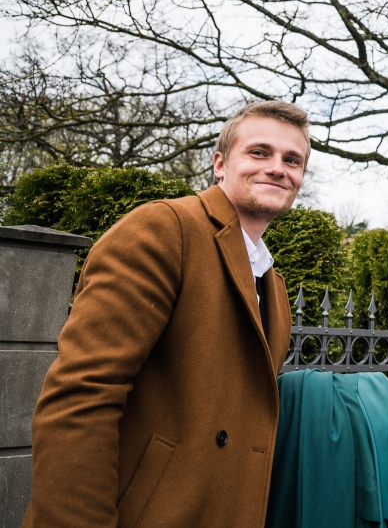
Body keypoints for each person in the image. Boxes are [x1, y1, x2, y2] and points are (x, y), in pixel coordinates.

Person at [22, 100, 310, 528]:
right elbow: (82, 397)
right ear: (219, 163)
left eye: (292, 160)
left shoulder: (273, 284)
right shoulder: (164, 229)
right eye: (259, 152)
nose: (277, 168)